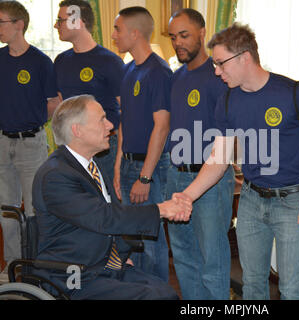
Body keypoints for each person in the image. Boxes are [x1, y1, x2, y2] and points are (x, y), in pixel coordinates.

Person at [176, 23, 299, 300]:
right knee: (253, 285)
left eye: (221, 63)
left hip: (293, 202)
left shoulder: (295, 93)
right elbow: (218, 160)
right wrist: (187, 195)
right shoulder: (228, 100)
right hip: (251, 201)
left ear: (244, 57)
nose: (217, 71)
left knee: (291, 287)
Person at [32, 94, 191, 300]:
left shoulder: (89, 165)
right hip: (73, 275)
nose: (110, 125)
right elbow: (104, 217)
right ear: (77, 131)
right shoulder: (55, 175)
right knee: (155, 297)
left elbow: (108, 218)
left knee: (166, 293)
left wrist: (122, 254)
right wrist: (162, 209)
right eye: (102, 119)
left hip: (103, 266)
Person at [166, 8, 235, 300]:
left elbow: (229, 138)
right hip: (175, 176)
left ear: (202, 33)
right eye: (172, 37)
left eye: (184, 35)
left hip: (211, 183)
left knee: (212, 261)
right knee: (183, 257)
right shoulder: (176, 77)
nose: (177, 42)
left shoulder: (219, 77)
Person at [112, 6, 172, 281]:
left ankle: (156, 292)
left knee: (150, 243)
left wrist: (145, 178)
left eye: (118, 29)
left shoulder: (158, 71)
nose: (114, 35)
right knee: (130, 241)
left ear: (135, 33)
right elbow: (124, 122)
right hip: (127, 165)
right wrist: (117, 168)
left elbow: (162, 126)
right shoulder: (127, 70)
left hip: (150, 169)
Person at [0, 1, 59, 275]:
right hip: (2, 143)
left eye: (2, 22)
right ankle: (12, 268)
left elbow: (53, 103)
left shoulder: (40, 61)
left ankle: (37, 268)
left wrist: (33, 125)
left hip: (31, 143)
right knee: (7, 213)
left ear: (18, 24)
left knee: (36, 211)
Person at [53, 0, 124, 182]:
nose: (56, 25)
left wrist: (119, 160)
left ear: (78, 21)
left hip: (105, 148)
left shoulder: (110, 61)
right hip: (72, 149)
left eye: (60, 20)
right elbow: (62, 107)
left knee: (108, 203)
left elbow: (126, 111)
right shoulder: (60, 61)